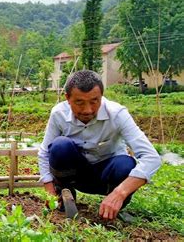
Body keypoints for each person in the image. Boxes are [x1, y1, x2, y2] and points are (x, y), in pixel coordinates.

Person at [38, 70, 161, 220]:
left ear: (101, 97)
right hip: (76, 175)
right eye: (79, 102)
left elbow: (151, 157)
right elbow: (44, 152)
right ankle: (65, 192)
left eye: (94, 101)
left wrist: (120, 192)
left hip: (107, 177)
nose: (87, 110)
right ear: (68, 98)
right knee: (60, 146)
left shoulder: (117, 114)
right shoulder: (59, 114)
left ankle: (111, 204)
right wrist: (49, 190)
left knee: (125, 164)